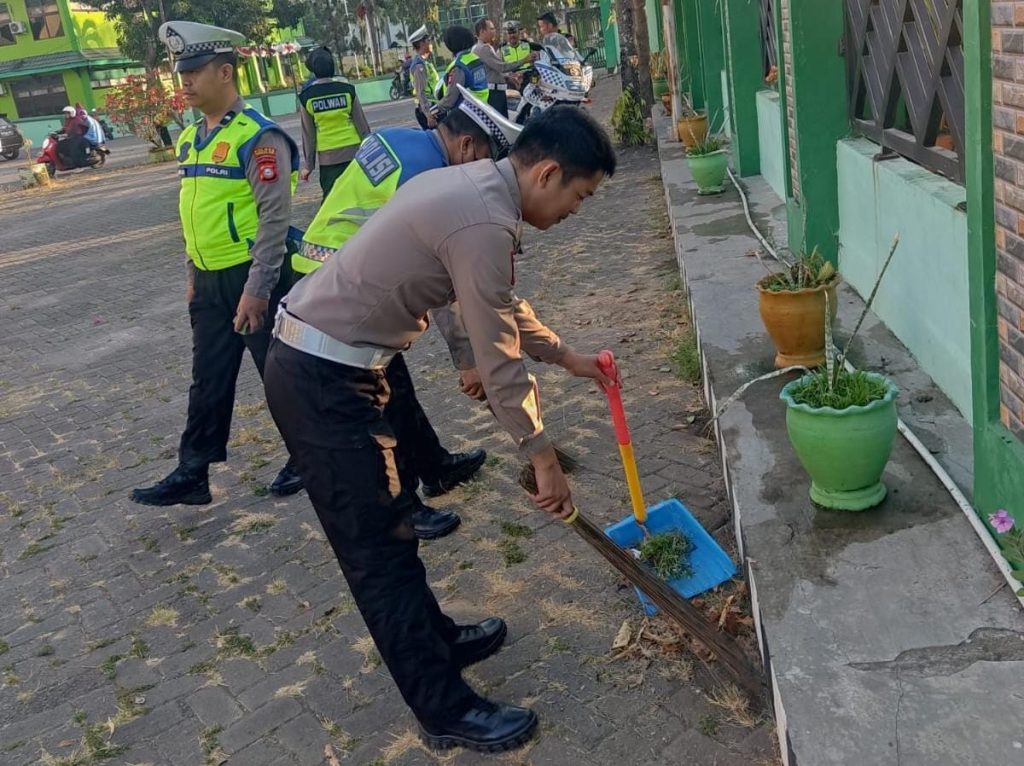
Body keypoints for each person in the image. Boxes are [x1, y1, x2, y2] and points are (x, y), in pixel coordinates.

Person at [262, 106, 616, 752]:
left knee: (394, 528)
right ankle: (443, 709)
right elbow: (497, 358)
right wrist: (541, 454)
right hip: (320, 381)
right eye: (581, 196)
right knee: (380, 554)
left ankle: (439, 640)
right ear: (547, 173)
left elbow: (498, 305)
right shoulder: (482, 219)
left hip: (344, 368)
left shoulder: (475, 191)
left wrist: (567, 357)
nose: (576, 211)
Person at [292, 87, 520, 538]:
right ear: (467, 146)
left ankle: (434, 466)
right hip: (343, 291)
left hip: (322, 265)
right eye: (482, 163)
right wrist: (468, 361)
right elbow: (444, 292)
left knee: (396, 386)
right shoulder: (427, 178)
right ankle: (405, 508)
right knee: (381, 402)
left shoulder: (401, 139)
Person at [131, 21, 303, 507]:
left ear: (225, 73)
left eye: (194, 71)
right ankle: (194, 471)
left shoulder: (260, 137)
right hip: (208, 283)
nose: (184, 81)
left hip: (254, 277)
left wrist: (258, 288)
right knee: (207, 378)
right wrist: (192, 273)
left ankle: (308, 455)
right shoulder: (191, 138)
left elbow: (274, 219)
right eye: (180, 73)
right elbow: (194, 213)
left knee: (281, 375)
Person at [298, 46, 370, 200]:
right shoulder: (347, 90)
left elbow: (309, 135)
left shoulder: (306, 97)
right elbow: (362, 125)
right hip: (354, 152)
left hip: (328, 158)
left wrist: (309, 166)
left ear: (314, 70)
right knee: (359, 196)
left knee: (332, 199)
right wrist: (369, 151)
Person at [471, 18, 534, 118]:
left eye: (514, 32)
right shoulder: (483, 48)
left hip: (503, 89)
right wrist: (524, 60)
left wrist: (508, 77)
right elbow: (502, 67)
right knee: (500, 123)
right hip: (494, 93)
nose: (494, 31)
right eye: (491, 29)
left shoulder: (480, 47)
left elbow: (494, 69)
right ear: (482, 31)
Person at [433, 25, 488, 114]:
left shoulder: (458, 66)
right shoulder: (475, 59)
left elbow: (450, 99)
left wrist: (433, 111)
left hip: (464, 114)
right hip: (482, 110)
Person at [407, 25, 440, 129]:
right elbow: (420, 92)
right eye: (428, 41)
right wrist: (428, 115)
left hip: (433, 106)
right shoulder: (419, 66)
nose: (431, 43)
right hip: (427, 110)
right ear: (422, 44)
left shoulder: (425, 62)